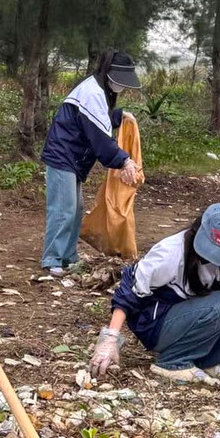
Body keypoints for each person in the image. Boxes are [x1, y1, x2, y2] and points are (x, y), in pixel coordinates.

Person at [88, 203, 220, 383]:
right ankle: (172, 362)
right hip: (155, 322)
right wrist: (111, 337)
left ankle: (207, 361)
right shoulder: (169, 253)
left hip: (185, 313)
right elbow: (129, 291)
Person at [39, 51, 143, 275]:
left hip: (72, 158)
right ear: (111, 75)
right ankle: (52, 259)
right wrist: (124, 161)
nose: (123, 87)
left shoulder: (97, 89)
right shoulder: (93, 92)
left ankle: (68, 257)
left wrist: (119, 115)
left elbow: (94, 121)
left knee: (76, 209)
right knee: (63, 209)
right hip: (62, 155)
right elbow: (99, 138)